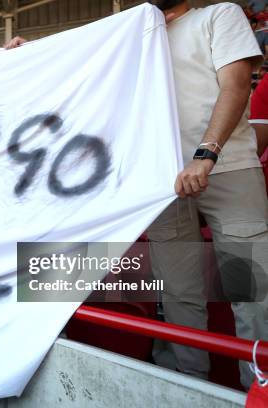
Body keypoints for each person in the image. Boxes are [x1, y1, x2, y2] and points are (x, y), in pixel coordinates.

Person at [147, 0, 267, 389]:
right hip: (164, 182)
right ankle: (190, 387)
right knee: (179, 294)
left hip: (229, 169)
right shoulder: (134, 35)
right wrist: (30, 52)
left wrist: (205, 155)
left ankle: (258, 388)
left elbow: (235, 85)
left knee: (251, 293)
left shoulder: (219, 15)